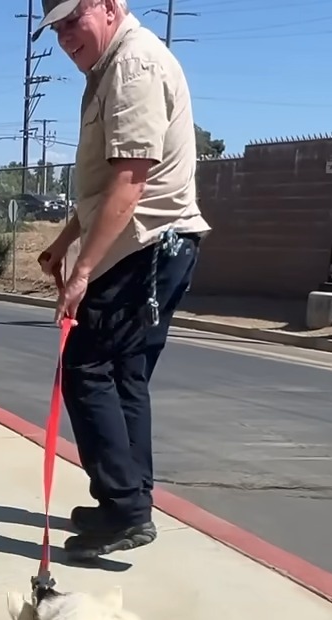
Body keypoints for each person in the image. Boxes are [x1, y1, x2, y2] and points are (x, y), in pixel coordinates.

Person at [34, 0, 209, 558]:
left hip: (147, 248)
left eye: (72, 19)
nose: (65, 37)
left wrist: (81, 272)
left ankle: (125, 508)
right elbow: (106, 186)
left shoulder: (133, 65)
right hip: (150, 246)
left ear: (110, 6)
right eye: (56, 27)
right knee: (124, 375)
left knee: (87, 367)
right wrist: (63, 244)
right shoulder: (110, 67)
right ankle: (129, 502)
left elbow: (131, 182)